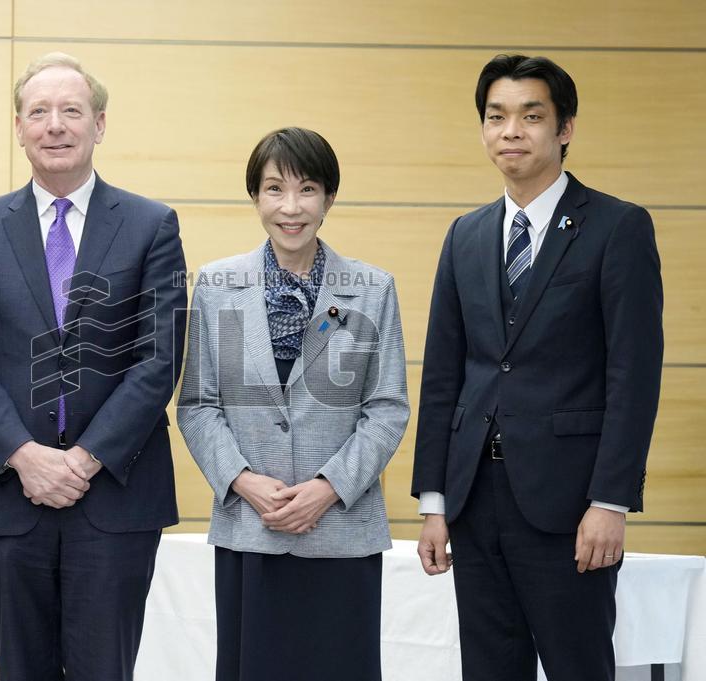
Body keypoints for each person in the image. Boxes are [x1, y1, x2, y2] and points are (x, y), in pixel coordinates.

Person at [411, 55, 664, 681]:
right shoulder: (465, 235)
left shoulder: (618, 227)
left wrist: (611, 500)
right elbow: (443, 377)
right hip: (475, 499)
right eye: (496, 117)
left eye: (531, 116)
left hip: (570, 503)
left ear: (565, 128)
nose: (511, 131)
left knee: (579, 666)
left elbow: (634, 377)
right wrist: (434, 501)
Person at [0, 52, 187, 681]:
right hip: (8, 496)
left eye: (72, 111)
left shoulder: (151, 225)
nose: (55, 125)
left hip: (115, 496)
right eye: (39, 112)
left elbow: (159, 357)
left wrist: (84, 459)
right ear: (18, 128)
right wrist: (24, 456)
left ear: (99, 124)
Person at [177, 127, 409, 681]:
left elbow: (387, 408)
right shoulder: (216, 285)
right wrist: (243, 481)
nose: (291, 207)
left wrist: (328, 489)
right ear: (255, 197)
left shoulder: (371, 288)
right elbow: (197, 405)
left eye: (307, 190)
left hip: (341, 532)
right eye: (274, 189)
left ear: (329, 197)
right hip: (250, 525)